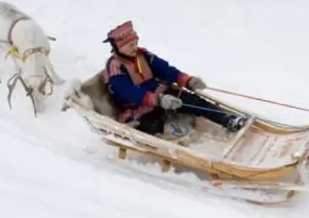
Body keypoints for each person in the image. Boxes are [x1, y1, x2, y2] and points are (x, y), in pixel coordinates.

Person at [101, 20, 247, 136]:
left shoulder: (143, 55)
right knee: (152, 128)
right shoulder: (115, 66)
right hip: (137, 107)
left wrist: (186, 79)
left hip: (161, 95)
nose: (135, 47)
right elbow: (126, 92)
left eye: (136, 43)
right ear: (119, 48)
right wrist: (157, 100)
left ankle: (229, 119)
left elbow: (165, 69)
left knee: (194, 101)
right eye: (130, 45)